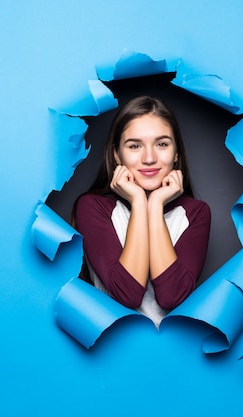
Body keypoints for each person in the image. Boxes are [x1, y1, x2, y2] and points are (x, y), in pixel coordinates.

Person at [73, 96, 211, 326]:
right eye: (135, 146)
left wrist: (154, 205)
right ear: (117, 154)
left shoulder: (196, 213)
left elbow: (171, 296)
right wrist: (139, 202)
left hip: (177, 354)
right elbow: (128, 293)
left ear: (176, 153)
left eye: (162, 144)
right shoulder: (92, 206)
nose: (149, 158)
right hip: (109, 351)